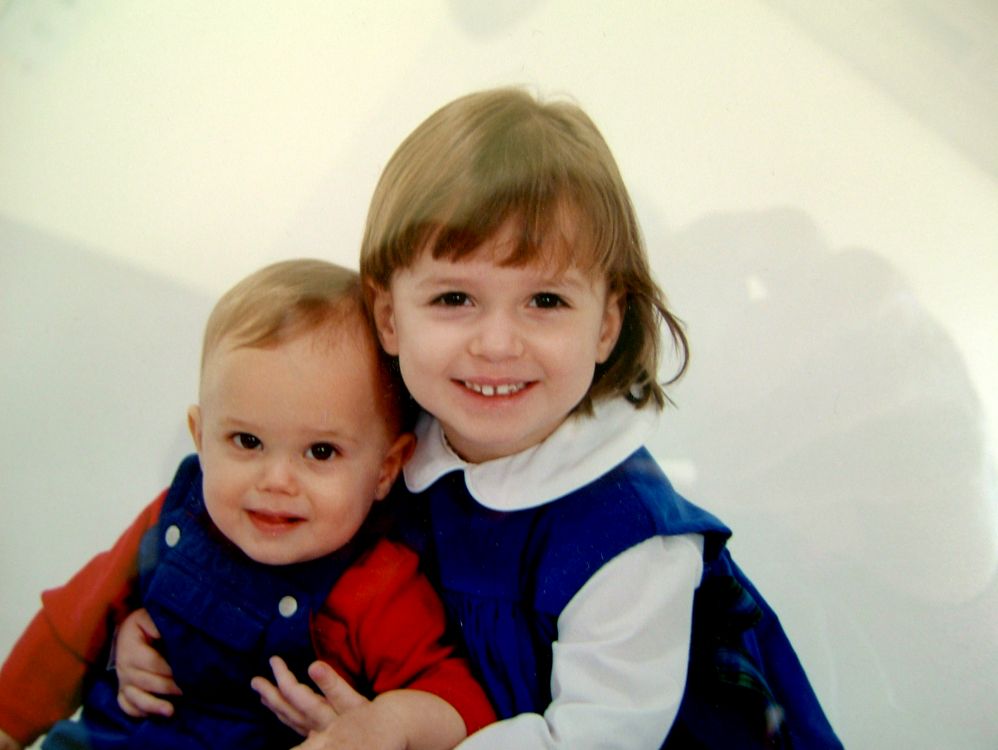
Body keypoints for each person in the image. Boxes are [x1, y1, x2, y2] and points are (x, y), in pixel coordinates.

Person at [115, 89, 844, 748]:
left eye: (546, 301)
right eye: (454, 299)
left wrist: (402, 734)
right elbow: (265, 544)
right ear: (389, 316)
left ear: (606, 324)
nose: (497, 344)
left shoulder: (631, 546)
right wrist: (161, 636)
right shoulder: (380, 444)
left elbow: (591, 740)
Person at [0, 259, 495, 750]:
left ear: (385, 469)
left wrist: (389, 723)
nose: (276, 481)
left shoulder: (377, 584)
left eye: (321, 452)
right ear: (201, 438)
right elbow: (72, 626)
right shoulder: (176, 514)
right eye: (247, 441)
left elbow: (462, 704)